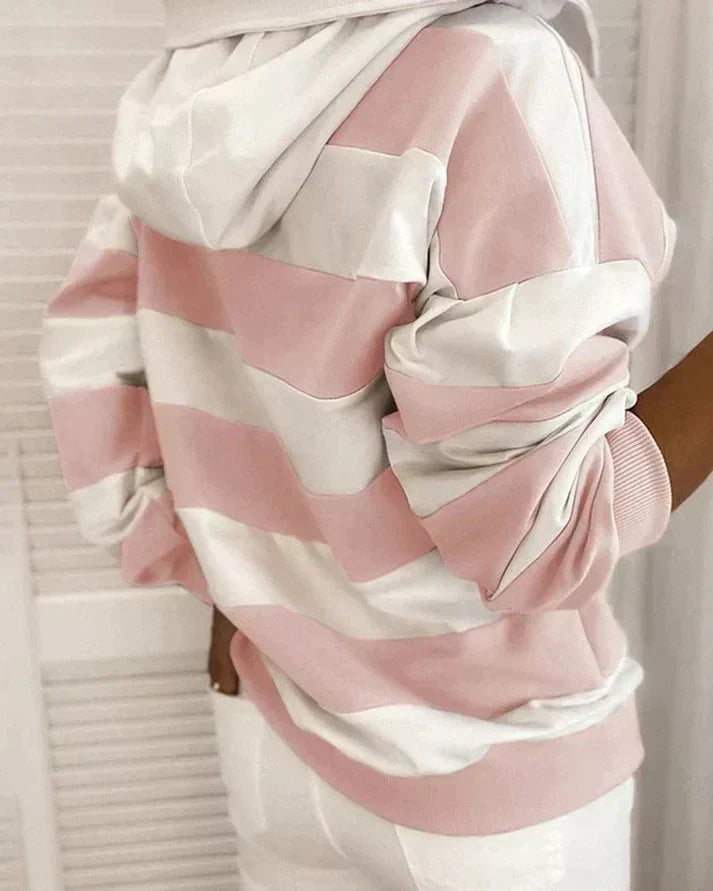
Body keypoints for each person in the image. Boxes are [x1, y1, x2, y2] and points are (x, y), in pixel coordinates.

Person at [37, 0, 713, 887]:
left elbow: (108, 374)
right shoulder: (489, 69)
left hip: (276, 733)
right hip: (485, 769)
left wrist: (234, 587)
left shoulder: (197, 81)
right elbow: (548, 535)